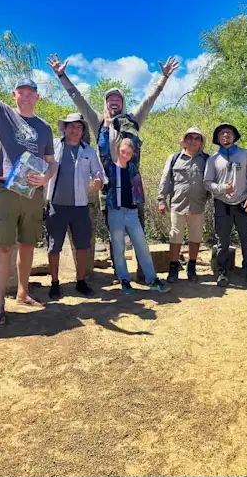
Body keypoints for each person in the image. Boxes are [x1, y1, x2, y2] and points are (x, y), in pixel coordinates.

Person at [47, 53, 179, 282]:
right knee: (114, 232)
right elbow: (78, 98)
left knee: (138, 230)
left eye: (117, 99)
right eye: (110, 99)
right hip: (107, 187)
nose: (114, 102)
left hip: (133, 186)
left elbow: (150, 98)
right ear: (106, 103)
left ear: (123, 102)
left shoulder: (134, 119)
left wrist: (163, 78)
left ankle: (142, 271)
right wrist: (62, 75)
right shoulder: (98, 122)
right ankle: (120, 274)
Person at [0, 25, 58, 327]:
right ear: (15, 94)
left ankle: (23, 292)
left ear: (37, 96)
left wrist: (46, 179)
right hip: (6, 189)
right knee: (4, 246)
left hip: (33, 192)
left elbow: (51, 161)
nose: (27, 96)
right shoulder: (3, 113)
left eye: (32, 92)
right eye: (23, 92)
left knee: (29, 245)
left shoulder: (44, 127)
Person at [45, 112, 106, 300]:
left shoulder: (88, 151)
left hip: (80, 206)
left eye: (78, 126)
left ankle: (81, 282)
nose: (74, 129)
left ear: (82, 131)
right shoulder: (53, 146)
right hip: (56, 205)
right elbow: (39, 164)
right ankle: (55, 283)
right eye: (71, 125)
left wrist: (98, 181)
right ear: (64, 128)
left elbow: (100, 174)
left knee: (82, 246)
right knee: (54, 247)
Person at [107, 137, 171, 294]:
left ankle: (152, 279)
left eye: (129, 153)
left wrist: (131, 136)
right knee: (119, 248)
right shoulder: (109, 167)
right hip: (115, 211)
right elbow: (104, 145)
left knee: (142, 247)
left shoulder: (133, 168)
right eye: (122, 151)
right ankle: (124, 279)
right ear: (117, 150)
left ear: (133, 154)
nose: (125, 155)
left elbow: (137, 141)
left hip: (132, 212)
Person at [203, 123, 247, 288]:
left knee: (246, 239)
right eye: (221, 134)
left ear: (234, 136)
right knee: (222, 240)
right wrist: (221, 188)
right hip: (222, 204)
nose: (225, 136)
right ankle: (222, 272)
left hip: (243, 202)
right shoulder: (213, 159)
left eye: (228, 133)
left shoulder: (245, 154)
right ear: (217, 138)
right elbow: (207, 182)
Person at [157, 127, 209, 283]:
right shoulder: (174, 158)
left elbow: (212, 181)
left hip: (198, 205)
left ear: (201, 142)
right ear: (184, 141)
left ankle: (191, 267)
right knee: (175, 237)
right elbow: (165, 180)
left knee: (195, 237)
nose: (193, 141)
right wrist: (161, 199)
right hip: (177, 205)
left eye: (197, 138)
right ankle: (173, 268)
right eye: (190, 137)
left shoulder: (207, 159)